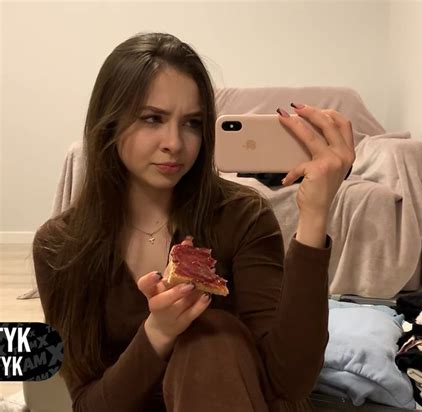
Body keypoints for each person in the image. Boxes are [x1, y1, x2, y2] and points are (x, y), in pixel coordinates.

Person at [32, 32, 355, 412]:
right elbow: (88, 405)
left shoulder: (241, 215)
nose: (175, 142)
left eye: (192, 123)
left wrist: (315, 216)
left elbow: (291, 381)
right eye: (152, 118)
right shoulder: (61, 246)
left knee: (210, 333)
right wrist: (158, 333)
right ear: (109, 122)